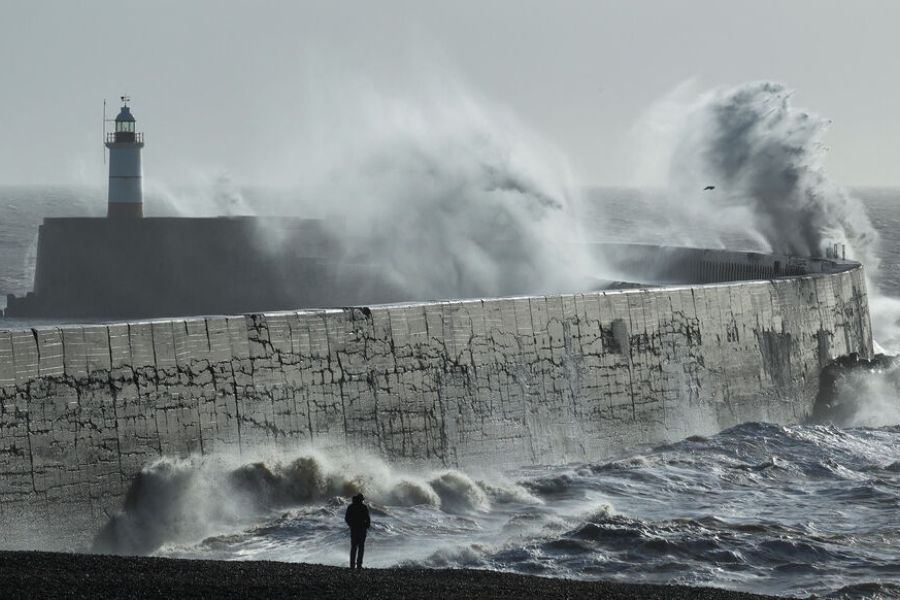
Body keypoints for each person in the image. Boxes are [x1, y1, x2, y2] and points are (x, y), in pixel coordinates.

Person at [344, 493, 371, 569]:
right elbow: (368, 518)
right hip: (361, 529)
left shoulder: (351, 507)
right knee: (360, 547)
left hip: (354, 529)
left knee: (354, 547)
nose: (362, 501)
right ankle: (359, 565)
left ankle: (352, 565)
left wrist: (351, 525)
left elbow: (347, 518)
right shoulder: (363, 507)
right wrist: (367, 526)